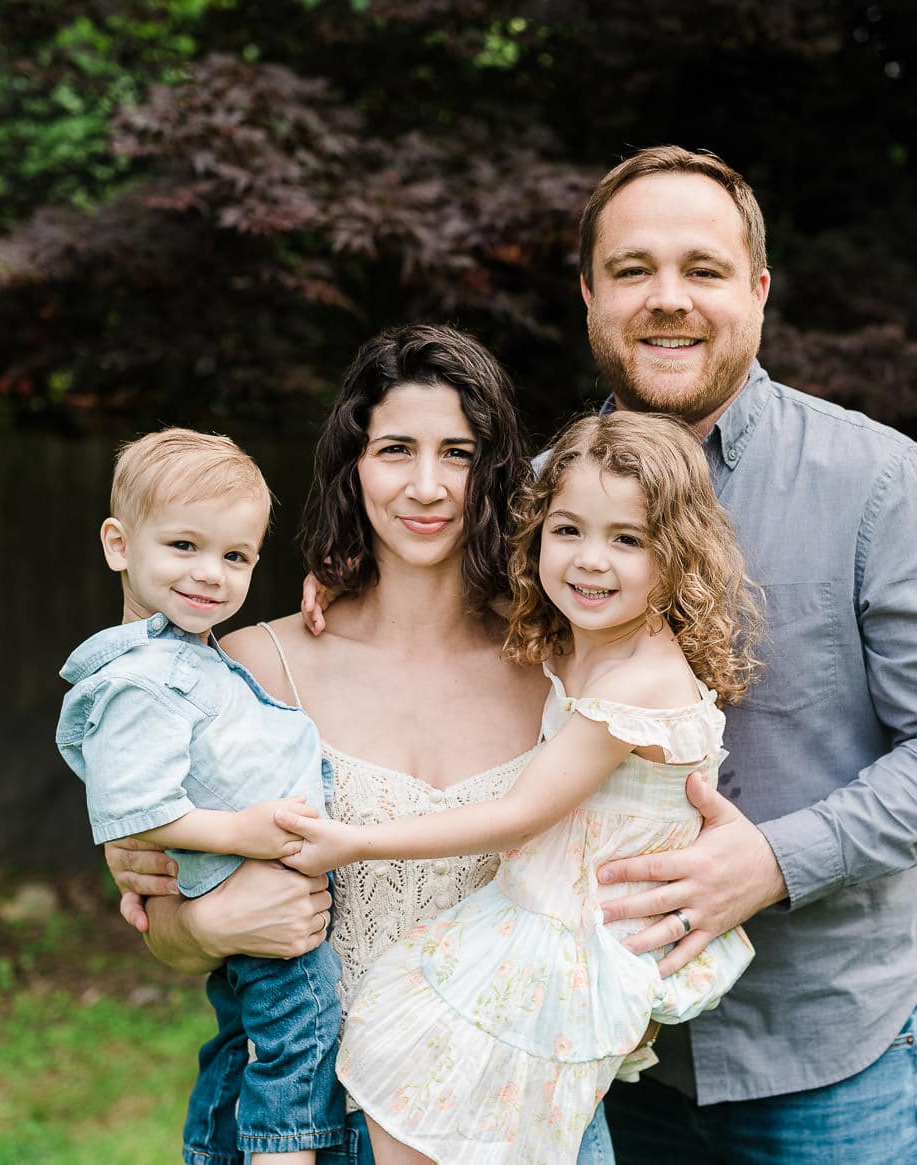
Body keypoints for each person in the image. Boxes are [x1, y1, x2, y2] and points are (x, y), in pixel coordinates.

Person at [562, 146, 917, 1163]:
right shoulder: (535, 503)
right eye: (634, 269)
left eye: (704, 269)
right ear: (591, 293)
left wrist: (775, 862)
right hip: (585, 1054)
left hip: (826, 1061)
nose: (668, 299)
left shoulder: (881, 486)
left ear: (759, 293)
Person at [103, 326, 618, 1164]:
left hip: (524, 1119)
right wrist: (209, 924)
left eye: (457, 452)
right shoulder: (252, 667)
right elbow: (161, 912)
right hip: (303, 1124)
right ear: (352, 463)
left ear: (495, 470)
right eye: (394, 449)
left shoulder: (566, 673)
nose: (426, 485)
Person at [276, 411, 760, 1165]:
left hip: (558, 942)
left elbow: (516, 815)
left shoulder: (637, 682)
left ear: (678, 552)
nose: (590, 560)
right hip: (541, 917)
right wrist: (351, 571)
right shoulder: (587, 637)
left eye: (627, 539)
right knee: (405, 1069)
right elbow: (459, 549)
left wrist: (356, 840)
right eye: (568, 530)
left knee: (408, 1057)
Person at [55, 428, 344, 1165]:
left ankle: (220, 1145)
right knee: (298, 1026)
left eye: (236, 555)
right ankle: (285, 1151)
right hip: (250, 884)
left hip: (258, 880)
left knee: (247, 1032)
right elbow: (141, 810)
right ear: (119, 544)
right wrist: (246, 834)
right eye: (184, 546)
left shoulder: (188, 654)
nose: (211, 574)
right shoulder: (140, 681)